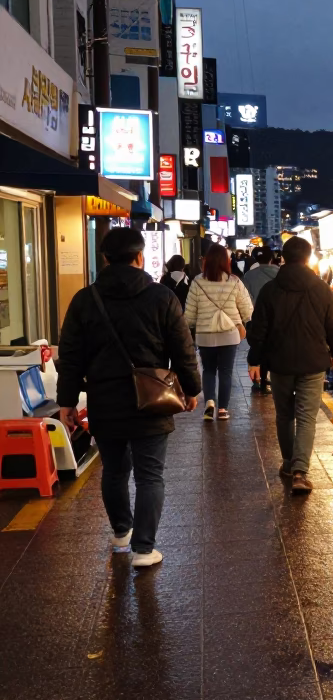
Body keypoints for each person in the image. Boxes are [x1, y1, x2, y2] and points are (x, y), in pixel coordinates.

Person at [56, 228, 201, 568]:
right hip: (152, 399)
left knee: (114, 470)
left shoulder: (85, 299)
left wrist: (66, 402)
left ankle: (122, 532)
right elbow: (183, 349)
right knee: (150, 475)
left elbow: (71, 355)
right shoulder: (162, 297)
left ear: (105, 259)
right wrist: (191, 389)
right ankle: (144, 549)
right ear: (139, 257)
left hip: (105, 401)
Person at [247, 236, 333, 494]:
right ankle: (300, 472)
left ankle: (289, 464)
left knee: (284, 415)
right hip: (313, 362)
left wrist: (254, 360)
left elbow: (258, 330)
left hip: (279, 362)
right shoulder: (321, 289)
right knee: (307, 417)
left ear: (283, 258)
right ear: (308, 258)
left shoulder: (270, 290)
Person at [185, 244, 254, 421]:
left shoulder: (197, 282)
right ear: (226, 261)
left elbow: (190, 313)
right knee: (226, 372)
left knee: (208, 370)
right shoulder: (234, 281)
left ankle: (209, 402)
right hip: (229, 334)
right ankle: (223, 409)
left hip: (205, 334)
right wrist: (246, 322)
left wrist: (189, 327)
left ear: (206, 260)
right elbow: (247, 309)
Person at [242, 246, 280, 391]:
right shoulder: (280, 273)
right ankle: (270, 377)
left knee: (258, 344)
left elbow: (246, 298)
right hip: (277, 317)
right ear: (271, 258)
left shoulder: (248, 276)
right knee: (273, 345)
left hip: (256, 316)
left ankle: (260, 378)